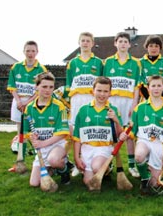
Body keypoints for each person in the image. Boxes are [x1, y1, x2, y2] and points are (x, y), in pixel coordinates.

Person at [119, 75, 163, 195]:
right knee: (139, 156)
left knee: (154, 184)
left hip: (159, 144)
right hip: (144, 141)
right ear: (148, 88)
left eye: (159, 86)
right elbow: (132, 130)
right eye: (153, 86)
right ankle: (144, 178)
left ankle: (149, 173)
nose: (156, 89)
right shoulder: (140, 108)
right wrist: (126, 134)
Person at [72, 76, 123, 190]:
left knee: (96, 167)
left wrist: (116, 120)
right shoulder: (83, 110)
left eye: (105, 91)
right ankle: (102, 170)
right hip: (87, 149)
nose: (102, 94)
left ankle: (106, 167)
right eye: (99, 90)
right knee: (89, 183)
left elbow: (120, 135)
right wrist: (76, 157)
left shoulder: (113, 109)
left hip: (104, 149)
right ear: (93, 91)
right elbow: (76, 137)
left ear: (110, 93)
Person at [103, 32, 141, 177]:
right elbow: (104, 83)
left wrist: (134, 104)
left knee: (129, 134)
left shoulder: (135, 63)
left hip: (128, 102)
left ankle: (131, 165)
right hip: (112, 101)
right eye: (120, 41)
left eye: (126, 41)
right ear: (115, 43)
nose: (123, 44)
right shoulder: (108, 62)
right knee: (111, 132)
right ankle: (109, 163)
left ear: (130, 44)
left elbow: (137, 86)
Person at [65, 32, 104, 176]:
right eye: (83, 41)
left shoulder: (99, 62)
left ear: (92, 43)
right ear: (79, 43)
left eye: (88, 41)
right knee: (77, 131)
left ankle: (100, 161)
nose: (85, 43)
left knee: (94, 129)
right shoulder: (72, 63)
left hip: (91, 99)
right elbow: (69, 85)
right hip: (77, 100)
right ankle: (78, 162)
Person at [23, 72, 71, 187]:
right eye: (44, 86)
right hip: (41, 148)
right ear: (36, 87)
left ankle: (64, 170)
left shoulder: (59, 106)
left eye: (51, 87)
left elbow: (61, 134)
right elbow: (27, 131)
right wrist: (31, 137)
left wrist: (43, 142)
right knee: (34, 183)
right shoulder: (29, 108)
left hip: (57, 145)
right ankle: (52, 169)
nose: (48, 90)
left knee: (54, 160)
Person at [7, 40, 47, 164]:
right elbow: (12, 87)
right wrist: (19, 101)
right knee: (20, 132)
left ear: (37, 52)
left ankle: (41, 159)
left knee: (35, 131)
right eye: (28, 51)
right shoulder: (16, 67)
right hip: (18, 102)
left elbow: (40, 89)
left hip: (32, 103)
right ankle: (20, 160)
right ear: (24, 51)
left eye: (33, 51)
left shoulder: (41, 69)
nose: (30, 53)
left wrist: (27, 103)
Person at [139, 35, 163, 101]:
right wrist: (149, 99)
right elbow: (140, 84)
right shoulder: (140, 62)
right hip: (145, 99)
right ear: (146, 47)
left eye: (156, 46)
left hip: (161, 99)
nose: (153, 49)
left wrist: (159, 98)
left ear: (160, 48)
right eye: (151, 46)